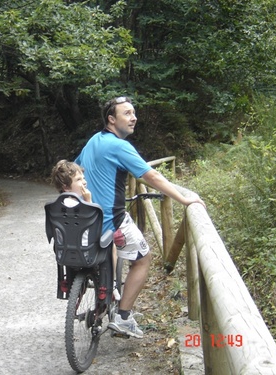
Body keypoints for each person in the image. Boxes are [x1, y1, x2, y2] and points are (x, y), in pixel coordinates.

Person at [75, 96, 205, 338]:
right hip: (111, 221)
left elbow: (76, 170)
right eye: (127, 113)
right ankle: (123, 317)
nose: (133, 117)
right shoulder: (120, 146)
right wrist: (185, 199)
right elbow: (151, 177)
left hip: (86, 220)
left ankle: (104, 294)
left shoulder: (93, 141)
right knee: (144, 258)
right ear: (111, 120)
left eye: (134, 113)